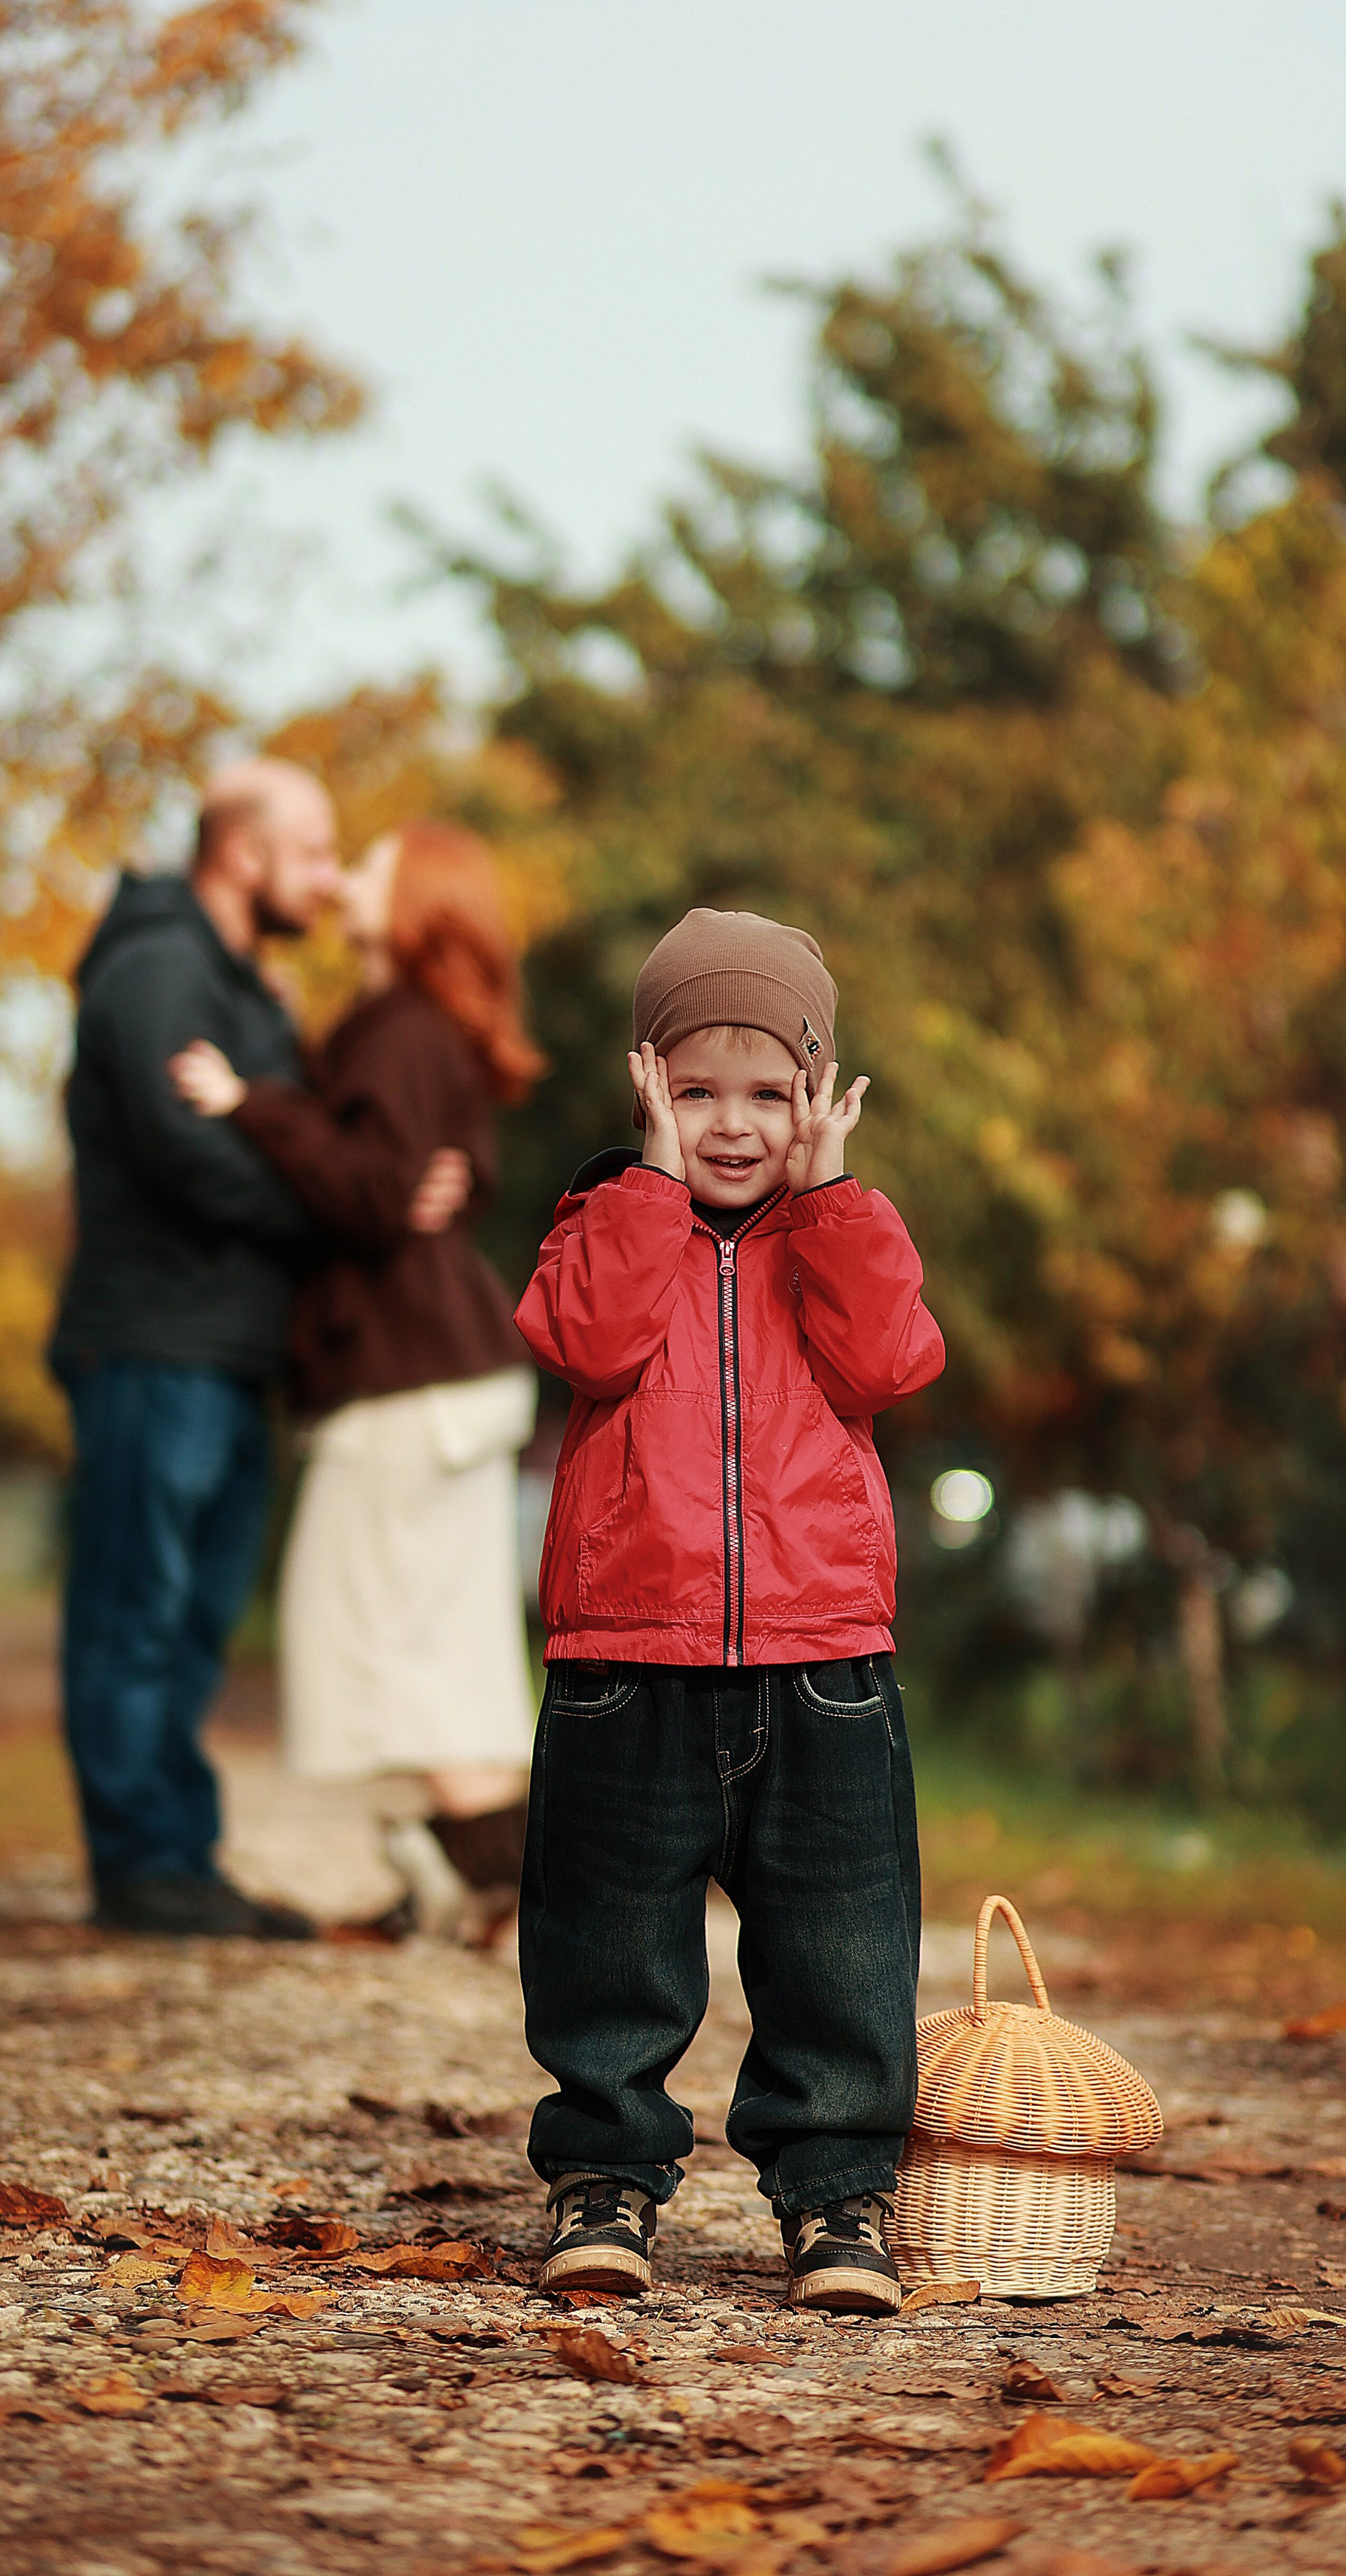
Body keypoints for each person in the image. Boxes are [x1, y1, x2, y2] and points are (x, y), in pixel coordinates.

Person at [510, 907, 946, 2315]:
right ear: (645, 1086)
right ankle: (605, 2179)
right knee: (609, 1944)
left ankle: (837, 2200)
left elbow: (890, 1361)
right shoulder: (600, 1223)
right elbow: (584, 1342)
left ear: (819, 1096)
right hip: (625, 1658)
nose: (736, 1126)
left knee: (840, 1948)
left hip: (824, 1661)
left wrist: (834, 1201)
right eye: (697, 1092)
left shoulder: (839, 1233)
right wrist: (643, 1184)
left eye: (773, 1093)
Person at [170, 820, 544, 1943]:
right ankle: (489, 1865)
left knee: (385, 1633)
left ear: (419, 900)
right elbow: (427, 1164)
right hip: (438, 1371)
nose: (346, 879)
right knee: (438, 1635)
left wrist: (252, 1104)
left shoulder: (397, 1028)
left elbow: (378, 1194)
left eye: (369, 865)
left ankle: (526, 1861)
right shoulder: (409, 1028)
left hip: (406, 1379)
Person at [50, 759, 342, 1940]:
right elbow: (193, 1156)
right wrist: (327, 1206)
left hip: (225, 1351)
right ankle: (144, 1866)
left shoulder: (245, 988)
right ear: (243, 853)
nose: (326, 878)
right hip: (152, 1343)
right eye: (314, 852)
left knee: (194, 1613)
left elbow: (293, 1136)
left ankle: (176, 1854)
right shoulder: (161, 966)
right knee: (138, 1606)